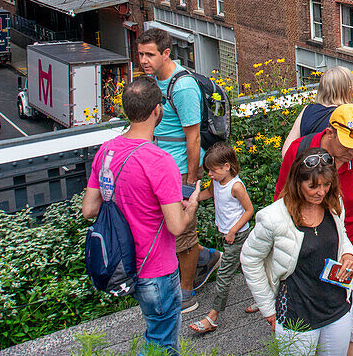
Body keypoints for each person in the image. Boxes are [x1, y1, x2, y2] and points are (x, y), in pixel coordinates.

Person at [82, 77, 200, 356]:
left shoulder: (106, 151)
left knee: (154, 335)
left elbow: (89, 209)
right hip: (156, 267)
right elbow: (176, 226)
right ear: (158, 110)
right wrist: (191, 205)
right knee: (162, 344)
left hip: (124, 265)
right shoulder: (160, 161)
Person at [275, 104, 353, 356]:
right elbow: (280, 204)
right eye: (347, 145)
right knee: (306, 330)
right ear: (329, 132)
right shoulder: (300, 152)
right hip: (306, 258)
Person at [135, 27, 219, 313]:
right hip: (161, 167)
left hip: (180, 171)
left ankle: (187, 293)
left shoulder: (181, 87)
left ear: (166, 53)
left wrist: (191, 180)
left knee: (183, 235)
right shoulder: (156, 81)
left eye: (150, 54)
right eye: (141, 54)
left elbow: (193, 137)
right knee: (170, 232)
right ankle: (207, 258)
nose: (144, 60)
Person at [241, 152, 353, 356]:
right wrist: (268, 309)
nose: (321, 192)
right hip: (297, 314)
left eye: (326, 184)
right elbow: (250, 259)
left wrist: (349, 255)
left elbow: (341, 235)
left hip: (337, 307)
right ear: (297, 182)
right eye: (313, 186)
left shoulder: (334, 202)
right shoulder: (273, 218)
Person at [189, 144, 255, 335]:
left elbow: (250, 210)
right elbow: (209, 193)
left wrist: (233, 230)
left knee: (224, 276)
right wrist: (193, 199)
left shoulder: (236, 186)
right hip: (227, 234)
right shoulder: (217, 182)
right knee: (248, 268)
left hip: (237, 236)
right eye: (208, 170)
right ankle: (265, 300)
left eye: (213, 170)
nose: (210, 174)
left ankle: (212, 317)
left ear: (227, 166)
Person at [283, 66, 353, 160]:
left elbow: (286, 153)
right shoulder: (351, 115)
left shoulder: (307, 110)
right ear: (347, 90)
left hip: (311, 177)